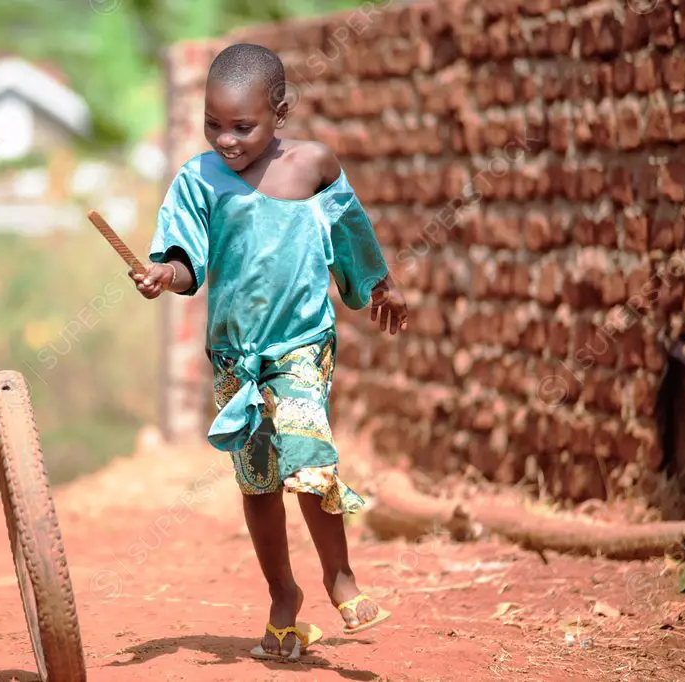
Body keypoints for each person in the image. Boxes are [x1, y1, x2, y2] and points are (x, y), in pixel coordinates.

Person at [129, 43, 408, 662]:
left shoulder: (315, 166)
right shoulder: (199, 180)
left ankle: (341, 577)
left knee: (308, 455)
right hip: (235, 354)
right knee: (256, 482)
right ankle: (284, 594)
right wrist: (160, 275)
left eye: (242, 126)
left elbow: (352, 230)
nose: (226, 140)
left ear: (279, 113)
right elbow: (180, 257)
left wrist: (381, 285)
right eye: (213, 124)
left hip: (303, 343)